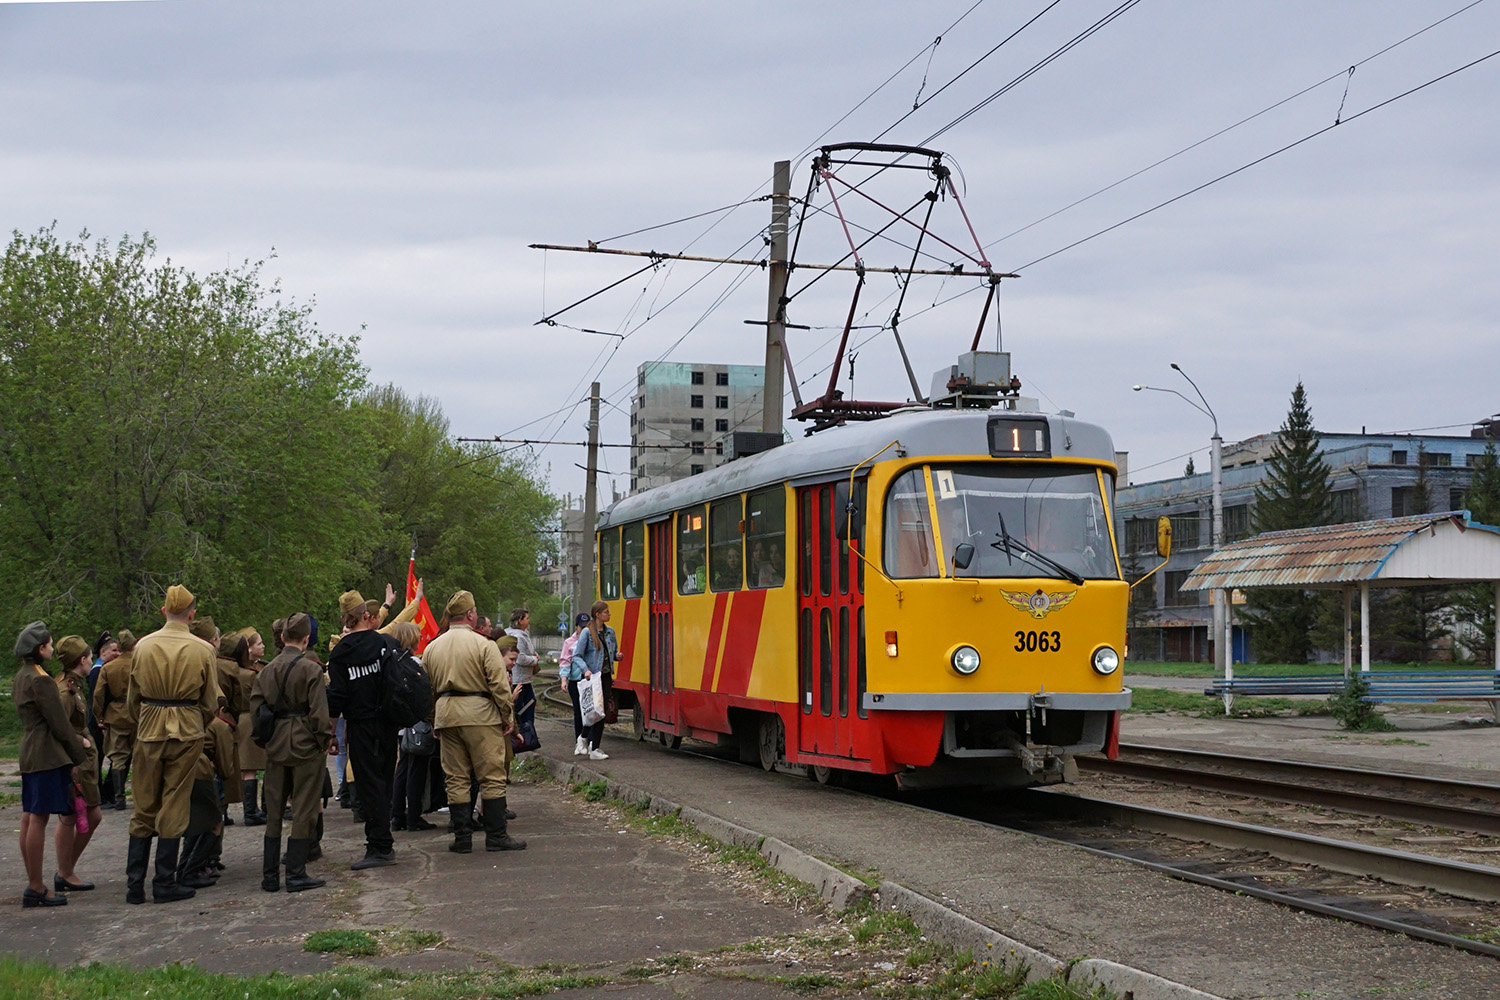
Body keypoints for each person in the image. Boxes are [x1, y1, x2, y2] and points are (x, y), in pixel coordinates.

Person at [125, 584, 219, 904]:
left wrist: (146, 718)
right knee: (175, 802)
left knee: (143, 803)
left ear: (164, 611)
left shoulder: (142, 646)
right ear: (192, 614)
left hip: (149, 725)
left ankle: (134, 885)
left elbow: (132, 699)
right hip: (188, 728)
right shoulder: (204, 649)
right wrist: (195, 721)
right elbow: (210, 704)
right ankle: (164, 881)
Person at [423, 590, 523, 854]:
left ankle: (462, 838)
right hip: (480, 714)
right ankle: (496, 836)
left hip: (446, 714)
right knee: (491, 776)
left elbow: (426, 689)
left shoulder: (433, 647)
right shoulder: (484, 645)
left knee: (455, 779)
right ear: (470, 615)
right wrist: (507, 716)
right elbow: (499, 685)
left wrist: (434, 719)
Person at [252, 613, 334, 893]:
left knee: (274, 810)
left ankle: (270, 875)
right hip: (305, 743)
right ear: (306, 638)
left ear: (283, 637)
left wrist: (265, 740)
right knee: (304, 808)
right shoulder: (311, 670)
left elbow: (256, 711)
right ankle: (296, 873)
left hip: (276, 743)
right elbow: (319, 715)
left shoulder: (266, 669)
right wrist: (324, 740)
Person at [12, 622, 90, 908]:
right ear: (40, 649)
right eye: (50, 644)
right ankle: (35, 886)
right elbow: (59, 724)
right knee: (38, 818)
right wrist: (77, 756)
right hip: (46, 754)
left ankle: (35, 883)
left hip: (30, 752)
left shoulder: (22, 676)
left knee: (30, 816)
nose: (53, 648)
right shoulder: (41, 680)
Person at [326, 589, 402, 870]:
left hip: (360, 724)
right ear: (366, 616)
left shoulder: (341, 653)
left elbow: (336, 697)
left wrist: (331, 733)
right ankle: (384, 839)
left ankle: (379, 846)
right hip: (388, 723)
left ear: (346, 619)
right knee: (385, 780)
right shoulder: (385, 643)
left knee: (369, 785)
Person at [53, 636, 104, 894]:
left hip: (83, 761)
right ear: (81, 660)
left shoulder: (74, 685)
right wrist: (78, 743)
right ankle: (65, 871)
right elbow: (56, 727)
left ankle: (66, 870)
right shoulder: (66, 691)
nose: (90, 660)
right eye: (88, 657)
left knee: (85, 816)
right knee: (73, 817)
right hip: (75, 762)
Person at [387, 622, 437, 833]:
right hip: (416, 722)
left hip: (399, 724)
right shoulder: (414, 663)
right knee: (416, 769)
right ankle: (413, 816)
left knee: (403, 767)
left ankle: (397, 814)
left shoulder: (391, 661)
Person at [92, 630, 138, 811]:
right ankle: (141, 796)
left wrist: (99, 716)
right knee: (140, 757)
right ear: (133, 645)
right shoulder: (140, 665)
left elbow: (98, 695)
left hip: (116, 715)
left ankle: (119, 798)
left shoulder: (108, 668)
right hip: (138, 714)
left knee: (118, 757)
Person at [569, 601, 619, 761]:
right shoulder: (587, 633)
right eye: (606, 612)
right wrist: (586, 670)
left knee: (601, 712)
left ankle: (591, 745)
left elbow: (613, 651)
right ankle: (587, 741)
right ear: (597, 614)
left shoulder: (610, 632)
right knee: (593, 711)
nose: (609, 614)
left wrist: (617, 656)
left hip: (605, 676)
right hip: (592, 677)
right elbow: (576, 656)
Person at [232, 628, 269, 825]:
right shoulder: (250, 674)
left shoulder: (234, 670)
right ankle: (252, 811)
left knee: (249, 767)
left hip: (240, 719)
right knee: (250, 768)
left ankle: (252, 809)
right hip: (250, 719)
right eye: (258, 643)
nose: (262, 646)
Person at [86, 633, 118, 802]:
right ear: (103, 652)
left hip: (101, 720)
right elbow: (95, 699)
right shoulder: (97, 671)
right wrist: (100, 720)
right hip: (97, 722)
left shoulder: (103, 669)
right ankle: (100, 794)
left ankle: (103, 793)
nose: (117, 654)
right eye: (114, 650)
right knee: (98, 758)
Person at [504, 609, 539, 754]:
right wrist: (535, 659)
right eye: (527, 618)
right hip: (521, 679)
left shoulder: (516, 634)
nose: (529, 620)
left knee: (525, 705)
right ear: (520, 620)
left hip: (521, 678)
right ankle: (525, 736)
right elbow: (521, 657)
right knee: (524, 707)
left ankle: (524, 735)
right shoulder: (518, 636)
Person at [559, 613, 590, 755]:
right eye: (581, 627)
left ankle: (590, 742)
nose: (583, 630)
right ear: (576, 626)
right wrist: (564, 679)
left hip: (590, 680)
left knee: (591, 712)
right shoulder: (569, 642)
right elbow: (565, 662)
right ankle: (579, 741)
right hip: (576, 680)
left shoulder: (593, 639)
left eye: (586, 627)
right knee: (579, 712)